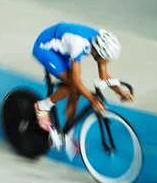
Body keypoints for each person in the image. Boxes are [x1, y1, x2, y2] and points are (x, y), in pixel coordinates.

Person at [32, 22, 133, 159]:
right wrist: (91, 98)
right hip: (45, 48)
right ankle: (43, 106)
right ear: (98, 52)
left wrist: (120, 92)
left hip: (62, 50)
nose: (106, 63)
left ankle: (68, 135)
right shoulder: (79, 43)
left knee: (77, 91)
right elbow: (76, 81)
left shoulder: (99, 44)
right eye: (105, 59)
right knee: (74, 85)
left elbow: (103, 76)